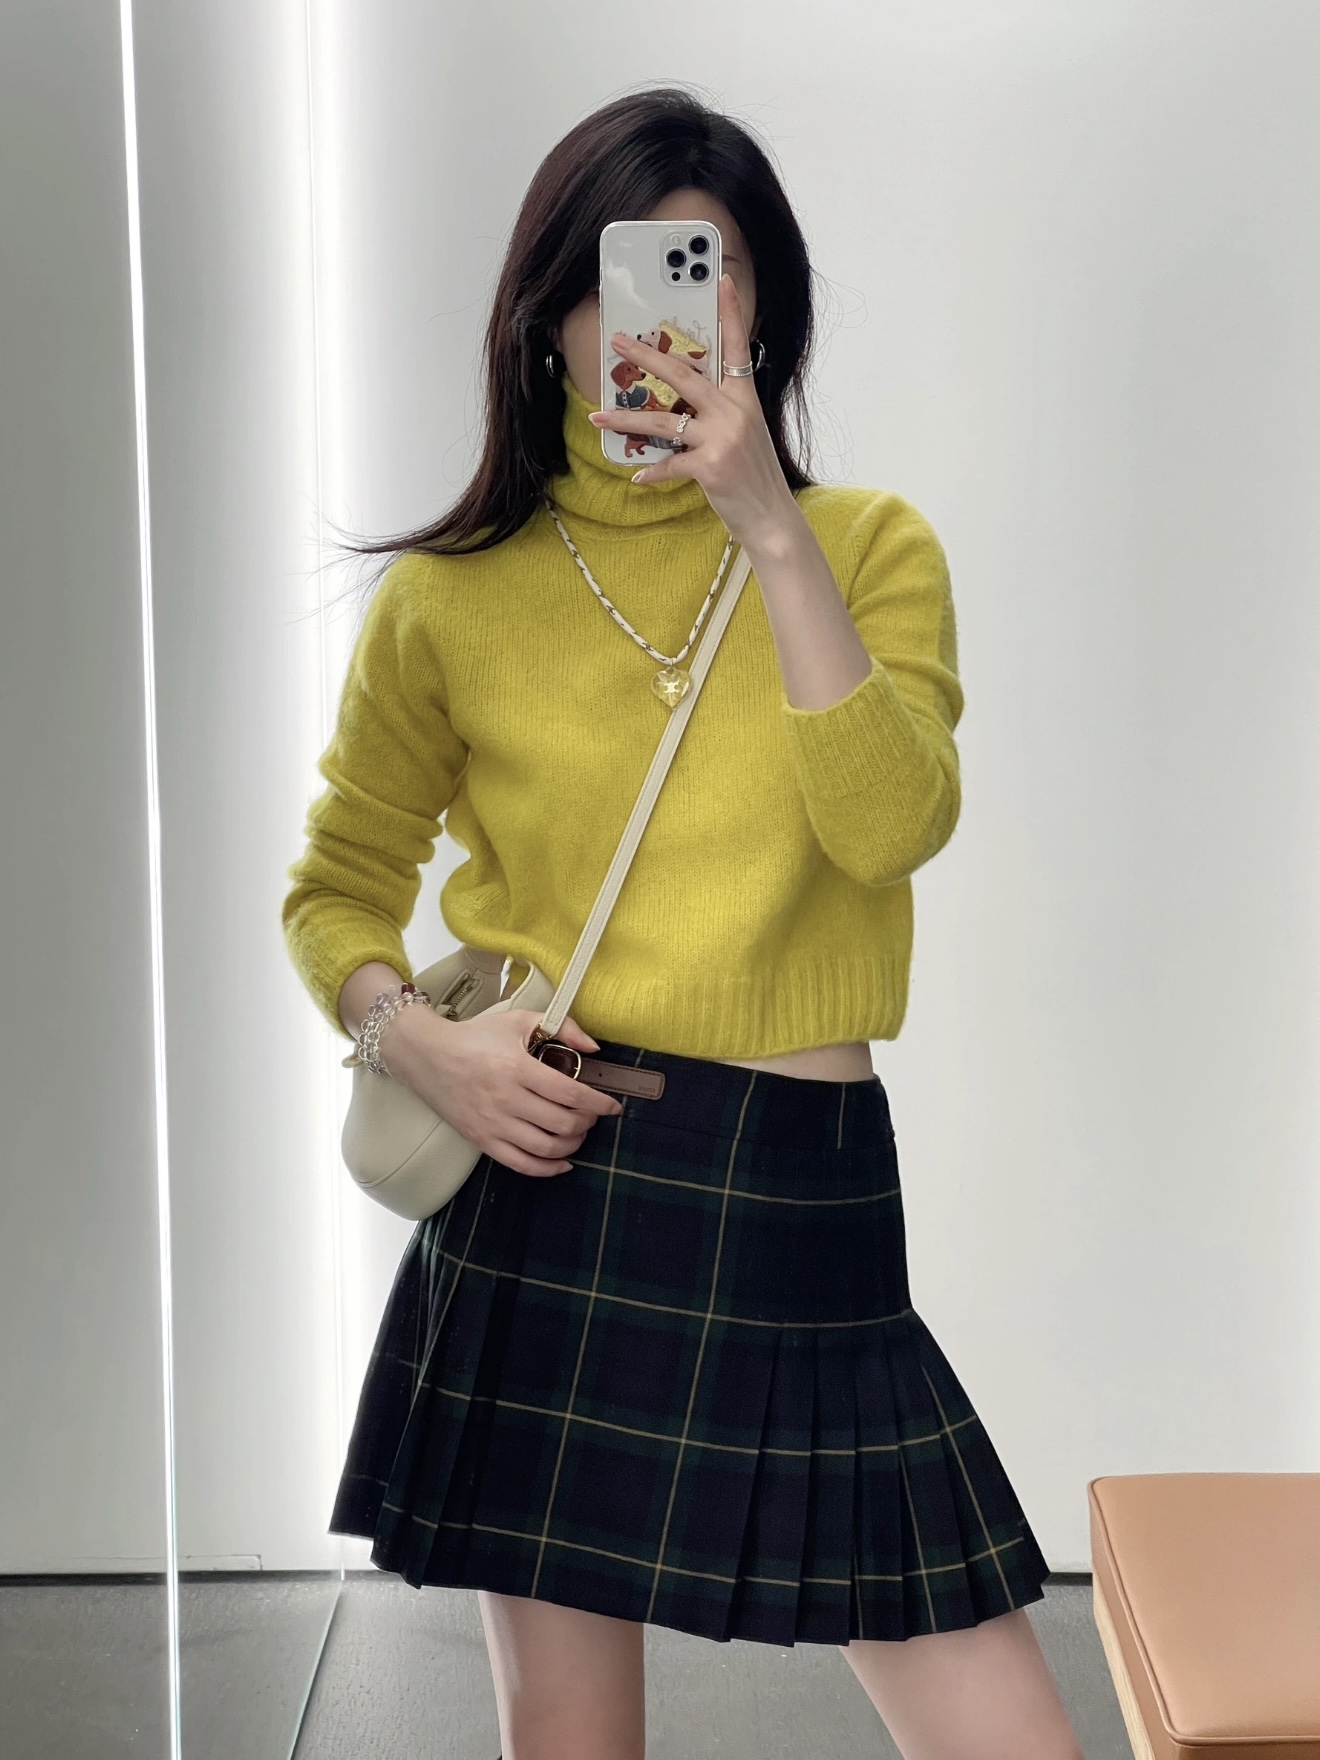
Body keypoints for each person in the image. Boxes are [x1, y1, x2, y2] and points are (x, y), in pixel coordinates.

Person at [282, 87, 1084, 1760]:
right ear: (549, 322)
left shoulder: (866, 548)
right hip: (544, 1172)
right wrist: (425, 1049)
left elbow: (892, 826)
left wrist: (771, 532)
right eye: (615, 279)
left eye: (698, 274)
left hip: (793, 1194)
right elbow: (337, 887)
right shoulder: (450, 597)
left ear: (759, 308)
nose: (655, 324)